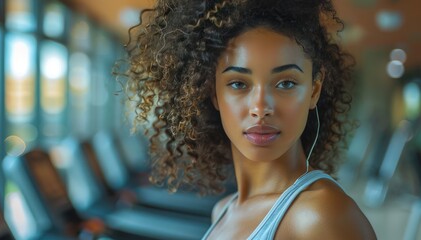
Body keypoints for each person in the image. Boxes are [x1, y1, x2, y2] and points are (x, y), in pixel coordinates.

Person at [119, 0, 377, 239]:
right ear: (213, 93)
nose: (260, 108)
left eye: (286, 83)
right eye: (238, 83)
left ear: (314, 90)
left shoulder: (319, 216)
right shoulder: (223, 209)